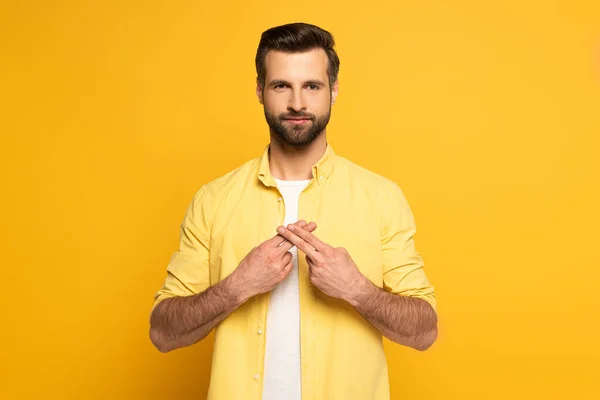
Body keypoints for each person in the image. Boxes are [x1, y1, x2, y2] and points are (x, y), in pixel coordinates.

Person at [149, 22, 437, 400]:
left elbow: (424, 331)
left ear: (333, 90)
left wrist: (358, 290)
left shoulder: (381, 197)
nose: (297, 103)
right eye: (281, 85)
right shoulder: (214, 200)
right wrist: (237, 286)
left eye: (312, 86)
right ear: (259, 90)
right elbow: (163, 333)